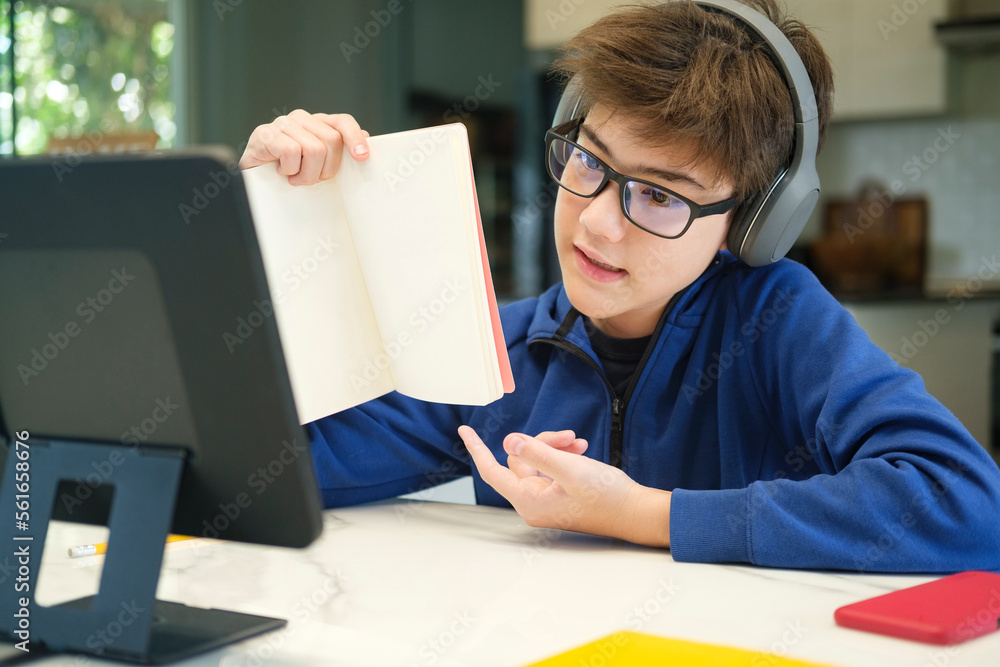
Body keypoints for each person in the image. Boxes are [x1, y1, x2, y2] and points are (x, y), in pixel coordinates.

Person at [238, 0, 1000, 571]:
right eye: (589, 162)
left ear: (751, 222)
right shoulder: (496, 348)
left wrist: (644, 513)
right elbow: (250, 473)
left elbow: (968, 505)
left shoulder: (779, 320)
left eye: (661, 194)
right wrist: (278, 240)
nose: (598, 224)